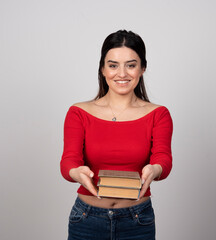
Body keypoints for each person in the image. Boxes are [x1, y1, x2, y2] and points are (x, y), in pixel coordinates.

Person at [60, 30, 173, 240]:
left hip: (137, 221)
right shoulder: (78, 113)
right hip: (87, 219)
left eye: (131, 65)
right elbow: (68, 162)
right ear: (103, 69)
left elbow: (163, 158)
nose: (122, 73)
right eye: (113, 65)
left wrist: (155, 168)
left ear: (142, 68)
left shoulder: (159, 114)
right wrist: (76, 172)